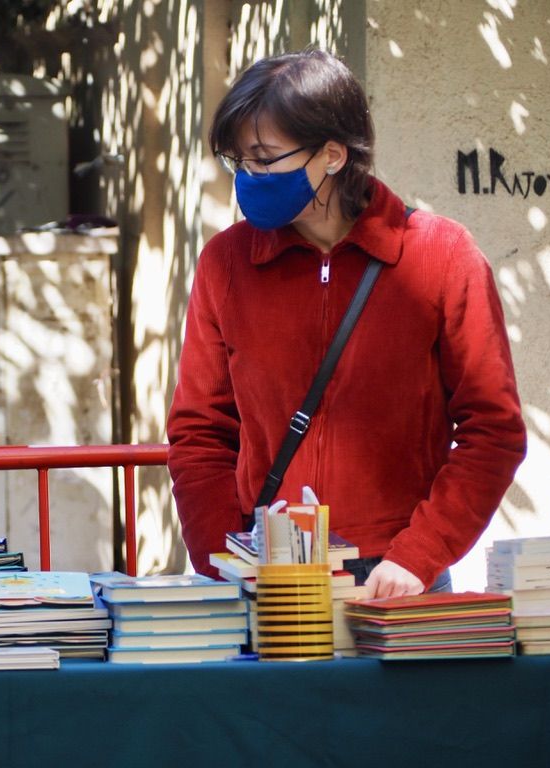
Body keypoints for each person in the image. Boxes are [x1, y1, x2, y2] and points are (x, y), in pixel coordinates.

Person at [166, 50, 526, 598]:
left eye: (265, 159)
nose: (250, 178)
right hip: (266, 579)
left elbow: (493, 429)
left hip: (400, 580)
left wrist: (420, 555)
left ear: (332, 155)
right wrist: (225, 563)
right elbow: (199, 433)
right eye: (240, 161)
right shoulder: (225, 263)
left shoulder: (441, 255)